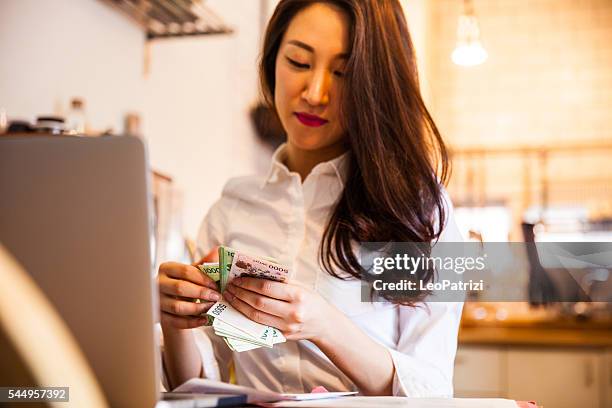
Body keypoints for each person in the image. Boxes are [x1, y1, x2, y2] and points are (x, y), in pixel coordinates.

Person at [158, 0, 463, 397]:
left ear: (375, 84)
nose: (315, 93)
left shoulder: (416, 210)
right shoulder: (234, 208)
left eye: (343, 73)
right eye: (299, 63)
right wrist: (175, 319)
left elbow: (433, 389)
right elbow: (199, 383)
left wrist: (323, 324)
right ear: (272, 62)